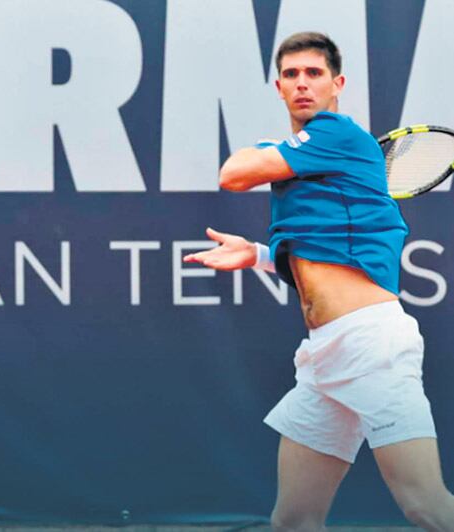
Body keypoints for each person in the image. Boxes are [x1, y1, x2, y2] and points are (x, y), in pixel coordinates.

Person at [183, 32, 454, 530]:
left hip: (373, 346)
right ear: (278, 86)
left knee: (427, 506)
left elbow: (233, 173)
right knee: (293, 519)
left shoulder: (337, 135)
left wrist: (268, 147)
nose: (302, 84)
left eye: (314, 73)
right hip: (325, 356)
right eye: (291, 75)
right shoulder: (307, 168)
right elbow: (324, 259)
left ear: (337, 84)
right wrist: (260, 255)